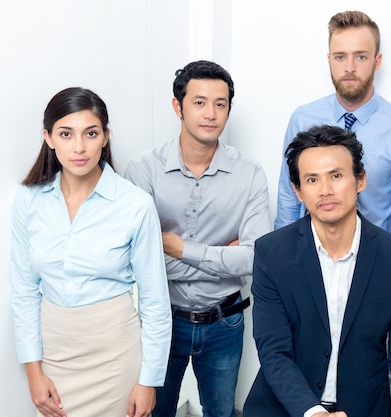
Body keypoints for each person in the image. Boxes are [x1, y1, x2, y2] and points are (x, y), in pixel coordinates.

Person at [243, 125, 391, 417]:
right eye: (312, 179)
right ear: (298, 191)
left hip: (363, 409)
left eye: (336, 176)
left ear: (361, 180)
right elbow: (274, 351)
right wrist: (312, 411)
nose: (326, 190)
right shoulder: (272, 253)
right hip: (286, 408)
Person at [10, 87, 172, 417]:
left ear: (105, 137)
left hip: (115, 356)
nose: (80, 147)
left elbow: (156, 301)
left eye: (91, 133)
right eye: (66, 134)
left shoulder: (135, 205)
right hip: (55, 351)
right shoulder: (29, 200)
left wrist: (149, 382)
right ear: (49, 138)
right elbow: (24, 291)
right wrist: (34, 372)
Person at [124, 60, 272, 417]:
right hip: (162, 319)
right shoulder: (144, 171)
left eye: (220, 104)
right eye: (200, 102)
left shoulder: (249, 174)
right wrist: (223, 258)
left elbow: (256, 259)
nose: (211, 113)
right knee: (155, 412)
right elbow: (137, 260)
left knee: (219, 413)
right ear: (178, 106)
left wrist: (176, 247)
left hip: (225, 320)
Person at [275, 10, 391, 241]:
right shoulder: (303, 120)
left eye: (361, 57)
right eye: (340, 57)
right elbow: (289, 198)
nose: (349, 68)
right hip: (309, 256)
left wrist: (390, 268)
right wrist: (285, 257)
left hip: (374, 260)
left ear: (377, 61)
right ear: (329, 60)